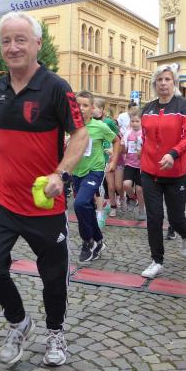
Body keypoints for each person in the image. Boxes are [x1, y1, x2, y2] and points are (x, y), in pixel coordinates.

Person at [0, 11, 88, 367]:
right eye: (6, 41)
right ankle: (19, 322)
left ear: (37, 44)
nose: (12, 47)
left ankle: (55, 332)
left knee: (53, 278)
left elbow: (80, 135)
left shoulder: (56, 87)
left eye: (20, 40)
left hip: (44, 203)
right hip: (3, 198)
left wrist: (60, 173)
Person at [139, 64, 186, 279]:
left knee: (176, 217)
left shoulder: (184, 106)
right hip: (149, 172)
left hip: (175, 173)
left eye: (167, 79)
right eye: (159, 80)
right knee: (154, 217)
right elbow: (144, 138)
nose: (163, 83)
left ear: (174, 83)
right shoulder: (148, 109)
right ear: (155, 84)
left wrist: (173, 154)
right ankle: (157, 260)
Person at [71, 91, 119, 262]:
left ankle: (87, 241)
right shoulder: (71, 126)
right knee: (87, 207)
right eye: (78, 105)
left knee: (80, 203)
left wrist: (113, 161)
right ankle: (98, 241)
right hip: (77, 172)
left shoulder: (99, 126)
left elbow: (116, 140)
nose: (81, 108)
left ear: (92, 108)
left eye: (85, 105)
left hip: (95, 171)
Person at [121, 107, 146, 221]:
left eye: (137, 121)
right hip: (129, 163)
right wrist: (123, 145)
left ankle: (141, 209)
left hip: (141, 165)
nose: (134, 123)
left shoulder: (144, 133)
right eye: (132, 121)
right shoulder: (127, 133)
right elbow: (124, 151)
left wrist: (141, 148)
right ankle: (132, 198)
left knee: (140, 190)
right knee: (126, 184)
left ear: (141, 121)